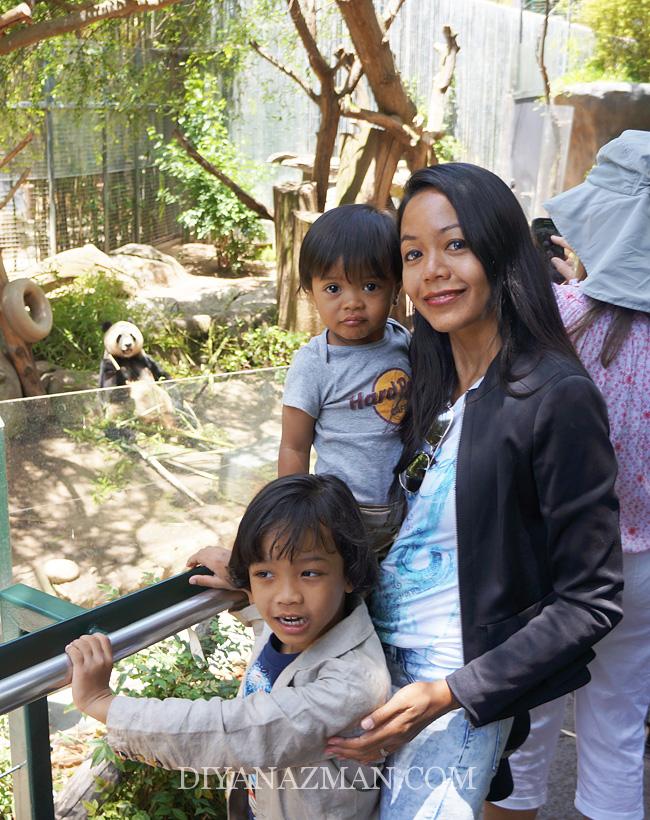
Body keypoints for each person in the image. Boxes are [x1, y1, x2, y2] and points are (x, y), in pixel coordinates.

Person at [322, 162, 623, 819]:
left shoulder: (556, 397)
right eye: (413, 254)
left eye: (455, 244)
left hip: (448, 697)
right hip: (372, 671)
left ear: (501, 249)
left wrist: (450, 694)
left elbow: (591, 600)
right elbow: (373, 508)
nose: (433, 269)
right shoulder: (425, 382)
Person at [66, 474, 391, 820]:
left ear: (350, 574)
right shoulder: (297, 625)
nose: (287, 596)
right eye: (266, 574)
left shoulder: (350, 685)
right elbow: (264, 624)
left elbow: (235, 731)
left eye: (309, 573)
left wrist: (103, 704)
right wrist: (244, 588)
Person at [487, 130, 650, 820]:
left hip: (551, 565)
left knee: (524, 732)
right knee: (617, 730)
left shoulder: (550, 317)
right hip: (642, 570)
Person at [278, 204, 410, 559]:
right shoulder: (314, 364)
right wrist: (290, 518)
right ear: (311, 291)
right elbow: (293, 446)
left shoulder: (402, 341)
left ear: (396, 287)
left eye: (370, 285)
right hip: (341, 515)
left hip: (408, 507)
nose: (352, 302)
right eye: (334, 287)